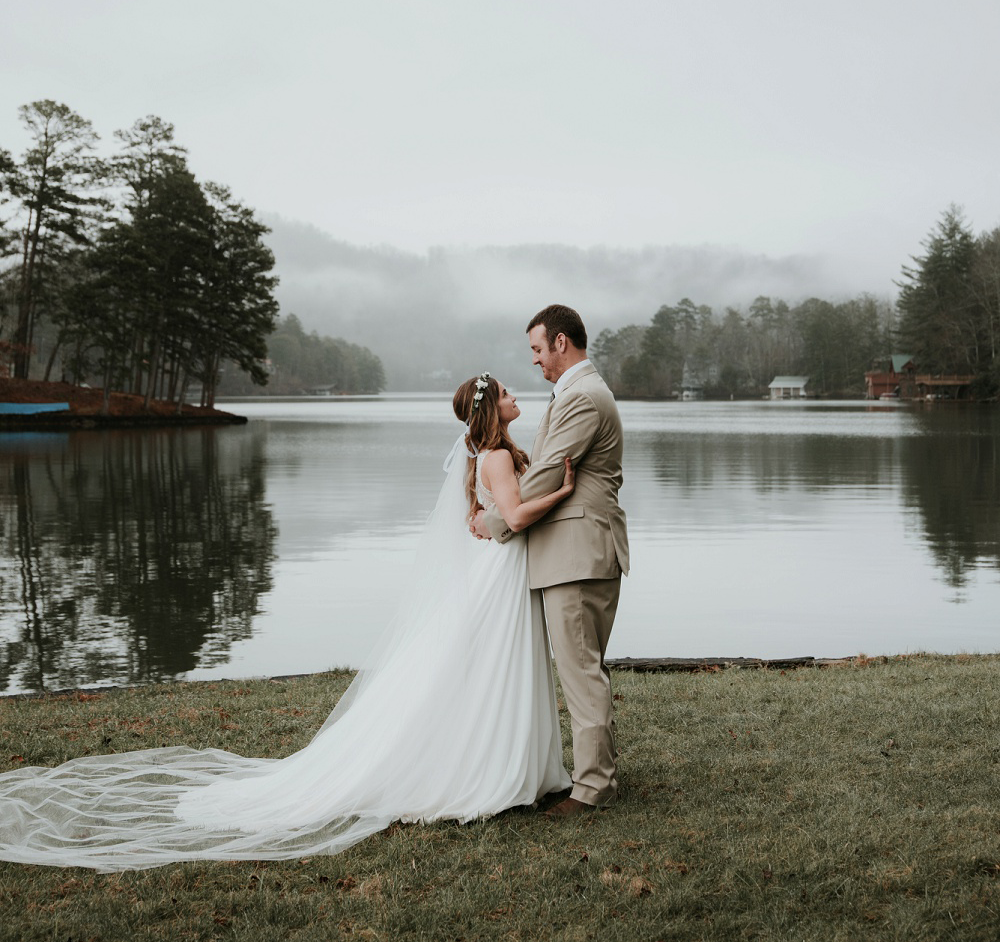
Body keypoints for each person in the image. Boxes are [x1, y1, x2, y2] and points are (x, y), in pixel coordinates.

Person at [0, 376, 573, 870]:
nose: (514, 396)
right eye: (505, 393)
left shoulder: (482, 453)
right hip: (495, 570)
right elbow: (515, 514)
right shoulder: (495, 456)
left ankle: (500, 759)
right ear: (489, 407)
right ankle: (492, 767)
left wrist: (490, 515)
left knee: (483, 668)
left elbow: (476, 514)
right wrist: (564, 492)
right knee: (494, 665)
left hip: (490, 566)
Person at [473, 304, 629, 817]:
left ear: (562, 343)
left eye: (538, 350)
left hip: (577, 554)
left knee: (581, 671)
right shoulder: (577, 394)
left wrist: (500, 521)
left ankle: (591, 790)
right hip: (572, 552)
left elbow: (542, 476)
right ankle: (589, 777)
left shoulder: (582, 398)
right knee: (583, 669)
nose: (536, 362)